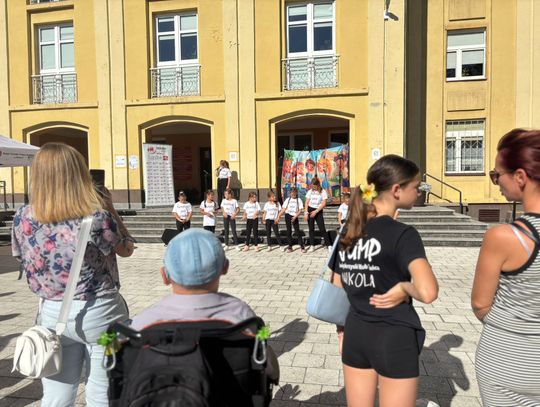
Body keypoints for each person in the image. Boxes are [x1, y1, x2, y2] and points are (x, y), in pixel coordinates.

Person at [11, 143, 135, 407]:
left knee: (56, 396)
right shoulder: (97, 217)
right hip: (102, 315)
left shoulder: (22, 217)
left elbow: (21, 257)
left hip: (52, 314)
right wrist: (110, 208)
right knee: (102, 393)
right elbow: (126, 249)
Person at [329, 154, 438, 407]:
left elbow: (337, 287)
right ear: (397, 190)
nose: (419, 192)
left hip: (355, 333)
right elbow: (428, 292)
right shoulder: (404, 234)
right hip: (394, 335)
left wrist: (341, 332)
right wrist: (405, 287)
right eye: (417, 186)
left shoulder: (349, 232)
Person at [130, 228, 278, 381]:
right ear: (225, 267)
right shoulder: (243, 315)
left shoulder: (143, 322)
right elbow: (265, 367)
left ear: (164, 276)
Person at [471, 128, 540, 406]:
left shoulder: (505, 237)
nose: (496, 182)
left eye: (497, 175)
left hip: (508, 358)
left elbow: (480, 304)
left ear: (520, 177)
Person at [304, 177, 331, 252]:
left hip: (318, 210)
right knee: (311, 229)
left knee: (322, 228)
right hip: (310, 209)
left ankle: (329, 245)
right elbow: (306, 202)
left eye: (314, 186)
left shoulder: (323, 192)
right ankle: (312, 245)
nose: (313, 188)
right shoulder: (310, 191)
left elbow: (324, 203)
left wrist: (316, 211)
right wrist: (306, 212)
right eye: (312, 186)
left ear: (318, 185)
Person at [278, 187, 306, 253]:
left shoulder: (299, 200)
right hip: (287, 215)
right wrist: (278, 216)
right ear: (290, 193)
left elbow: (300, 210)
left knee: (297, 231)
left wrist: (295, 216)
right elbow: (283, 209)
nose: (293, 194)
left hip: (294, 216)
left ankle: (302, 246)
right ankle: (290, 246)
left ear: (296, 193)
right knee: (289, 231)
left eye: (294, 192)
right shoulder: (288, 199)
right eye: (292, 192)